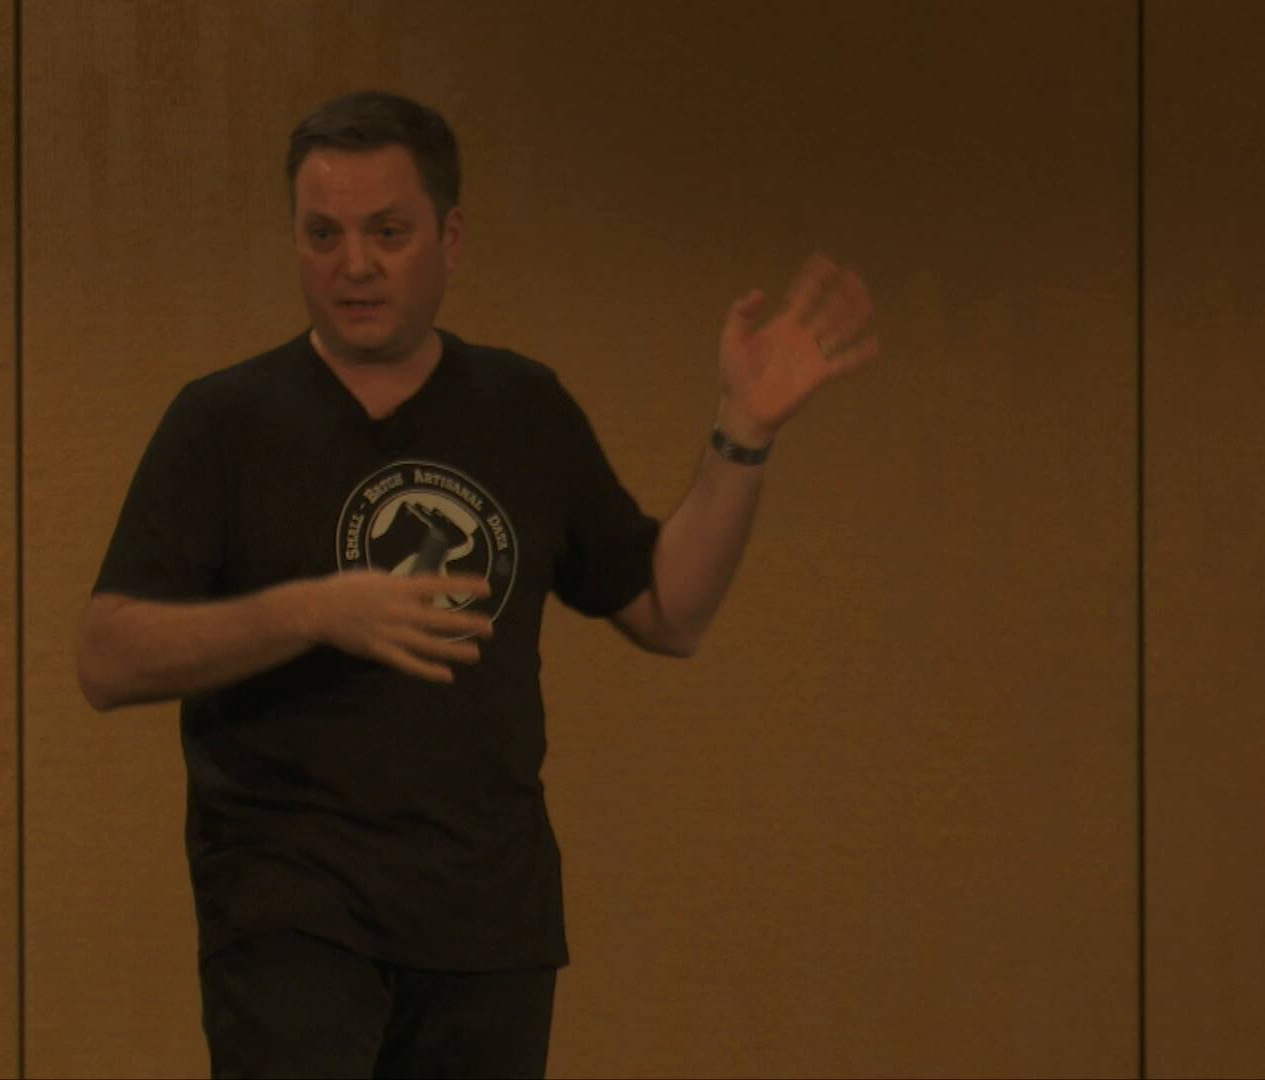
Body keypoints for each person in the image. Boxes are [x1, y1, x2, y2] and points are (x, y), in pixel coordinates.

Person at [77, 90, 878, 1079]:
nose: (354, 264)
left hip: (487, 917)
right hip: (290, 906)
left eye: (388, 232)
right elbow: (107, 656)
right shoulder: (224, 421)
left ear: (449, 239)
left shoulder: (522, 409)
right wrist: (311, 609)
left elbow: (670, 610)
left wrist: (742, 434)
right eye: (323, 234)